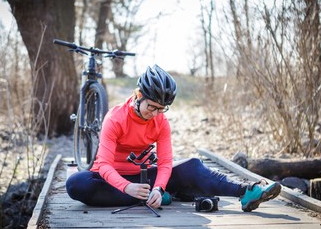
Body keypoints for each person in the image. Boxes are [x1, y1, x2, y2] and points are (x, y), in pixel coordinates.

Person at [66, 64, 281, 212]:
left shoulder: (161, 122)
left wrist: (159, 187)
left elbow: (166, 162)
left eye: (162, 109)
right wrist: (127, 187)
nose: (156, 114)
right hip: (113, 181)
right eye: (152, 107)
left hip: (146, 178)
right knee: (76, 184)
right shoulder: (115, 118)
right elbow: (103, 165)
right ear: (138, 95)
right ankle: (150, 197)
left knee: (193, 166)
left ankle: (247, 192)